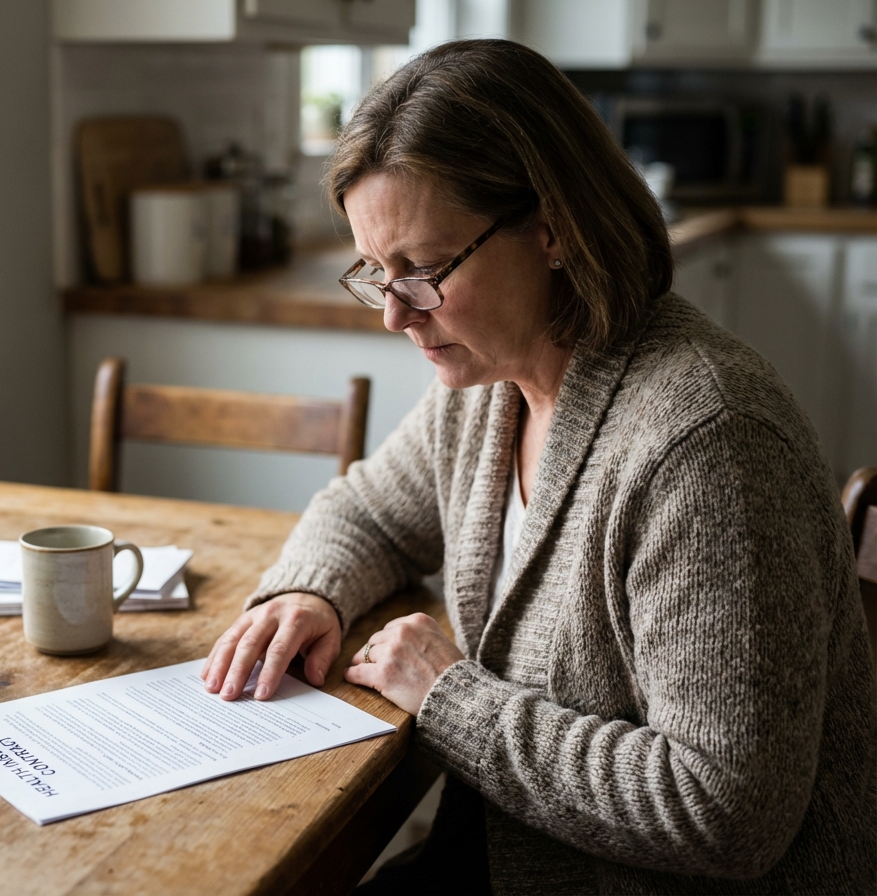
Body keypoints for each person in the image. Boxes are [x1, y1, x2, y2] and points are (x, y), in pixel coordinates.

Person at [200, 39, 876, 894]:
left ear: (551, 228)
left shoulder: (708, 440)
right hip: (511, 853)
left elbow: (723, 813)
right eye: (377, 274)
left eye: (424, 271)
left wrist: (451, 699)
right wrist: (310, 590)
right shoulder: (491, 380)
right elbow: (369, 510)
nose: (395, 317)